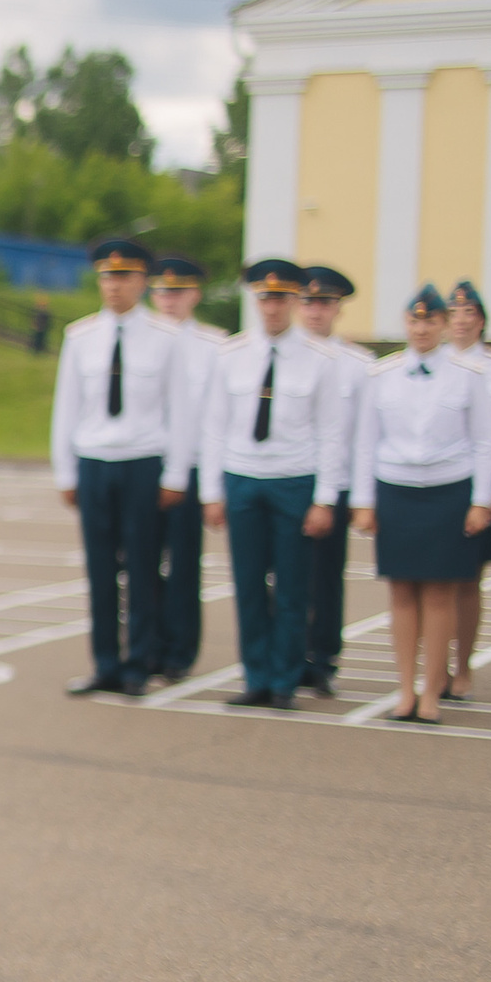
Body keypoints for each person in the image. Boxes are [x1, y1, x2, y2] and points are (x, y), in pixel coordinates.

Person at [196, 260, 348, 710]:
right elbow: (215, 428)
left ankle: (284, 679)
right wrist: (211, 492)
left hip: (294, 481)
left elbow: (330, 433)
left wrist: (324, 499)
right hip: (242, 478)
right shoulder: (231, 353)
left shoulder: (322, 359)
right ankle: (255, 675)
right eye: (265, 297)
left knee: (291, 587)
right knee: (247, 584)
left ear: (296, 301)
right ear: (255, 300)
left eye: (281, 298)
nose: (272, 307)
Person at [352, 285, 491, 724]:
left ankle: (432, 691)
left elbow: (485, 442)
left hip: (447, 492)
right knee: (400, 593)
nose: (422, 328)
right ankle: (404, 689)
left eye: (430, 321)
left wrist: (480, 501)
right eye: (415, 321)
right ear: (405, 324)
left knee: (439, 595)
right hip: (396, 490)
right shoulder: (383, 375)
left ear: (442, 325)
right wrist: (363, 501)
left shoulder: (469, 374)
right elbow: (365, 442)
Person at [52, 237, 192, 697]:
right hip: (94, 462)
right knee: (99, 569)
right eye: (107, 277)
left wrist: (174, 474)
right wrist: (65, 472)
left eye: (125, 277)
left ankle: (138, 664)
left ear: (143, 282)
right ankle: (105, 664)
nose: (114, 286)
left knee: (142, 566)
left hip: (142, 462)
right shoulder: (80, 337)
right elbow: (66, 408)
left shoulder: (167, 337)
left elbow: (180, 409)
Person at [442, 279, 491, 700]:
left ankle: (463, 666)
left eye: (468, 313)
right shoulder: (431, 365)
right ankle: (434, 666)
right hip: (437, 488)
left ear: (482, 321)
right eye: (453, 313)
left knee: (468, 581)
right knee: (431, 581)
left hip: (480, 488)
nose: (460, 321)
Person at [296, 266, 370, 696]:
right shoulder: (282, 355)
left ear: (338, 308)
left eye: (324, 302)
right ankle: (286, 652)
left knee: (325, 576)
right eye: (307, 301)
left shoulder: (358, 365)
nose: (315, 311)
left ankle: (322, 658)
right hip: (289, 478)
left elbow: (363, 439)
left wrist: (363, 497)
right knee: (283, 575)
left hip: (335, 484)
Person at [149, 255, 222, 679]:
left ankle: (179, 650)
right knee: (139, 563)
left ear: (194, 295)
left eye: (177, 292)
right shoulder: (144, 338)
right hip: (145, 464)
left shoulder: (215, 346)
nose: (168, 299)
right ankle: (147, 643)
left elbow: (215, 420)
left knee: (183, 564)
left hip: (190, 468)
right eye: (161, 291)